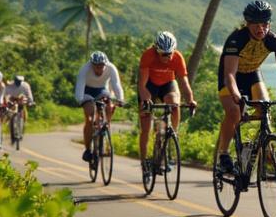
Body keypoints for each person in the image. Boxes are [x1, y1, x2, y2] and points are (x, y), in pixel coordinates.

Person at [216, 0, 276, 174]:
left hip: (252, 74)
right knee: (234, 112)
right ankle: (223, 154)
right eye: (255, 24)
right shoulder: (236, 39)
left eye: (264, 24)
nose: (260, 28)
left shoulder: (274, 40)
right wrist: (236, 95)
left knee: (265, 109)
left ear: (269, 23)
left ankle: (261, 148)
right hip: (231, 77)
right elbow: (229, 75)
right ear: (247, 23)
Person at [136, 31, 196, 172]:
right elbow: (142, 85)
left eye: (170, 53)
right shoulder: (148, 55)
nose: (168, 57)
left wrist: (191, 100)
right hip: (149, 85)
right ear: (156, 50)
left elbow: (184, 83)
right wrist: (146, 100)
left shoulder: (177, 57)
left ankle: (172, 134)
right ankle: (144, 162)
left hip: (168, 83)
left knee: (175, 105)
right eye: (163, 54)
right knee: (145, 128)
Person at [74, 51, 124, 162]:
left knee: (109, 105)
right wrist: (80, 100)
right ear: (92, 65)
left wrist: (120, 99)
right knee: (90, 116)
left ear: (105, 65)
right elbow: (79, 88)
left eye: (101, 66)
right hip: (87, 91)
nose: (99, 69)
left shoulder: (111, 68)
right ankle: (88, 150)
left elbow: (116, 85)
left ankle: (105, 126)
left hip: (102, 90)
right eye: (96, 66)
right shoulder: (85, 69)